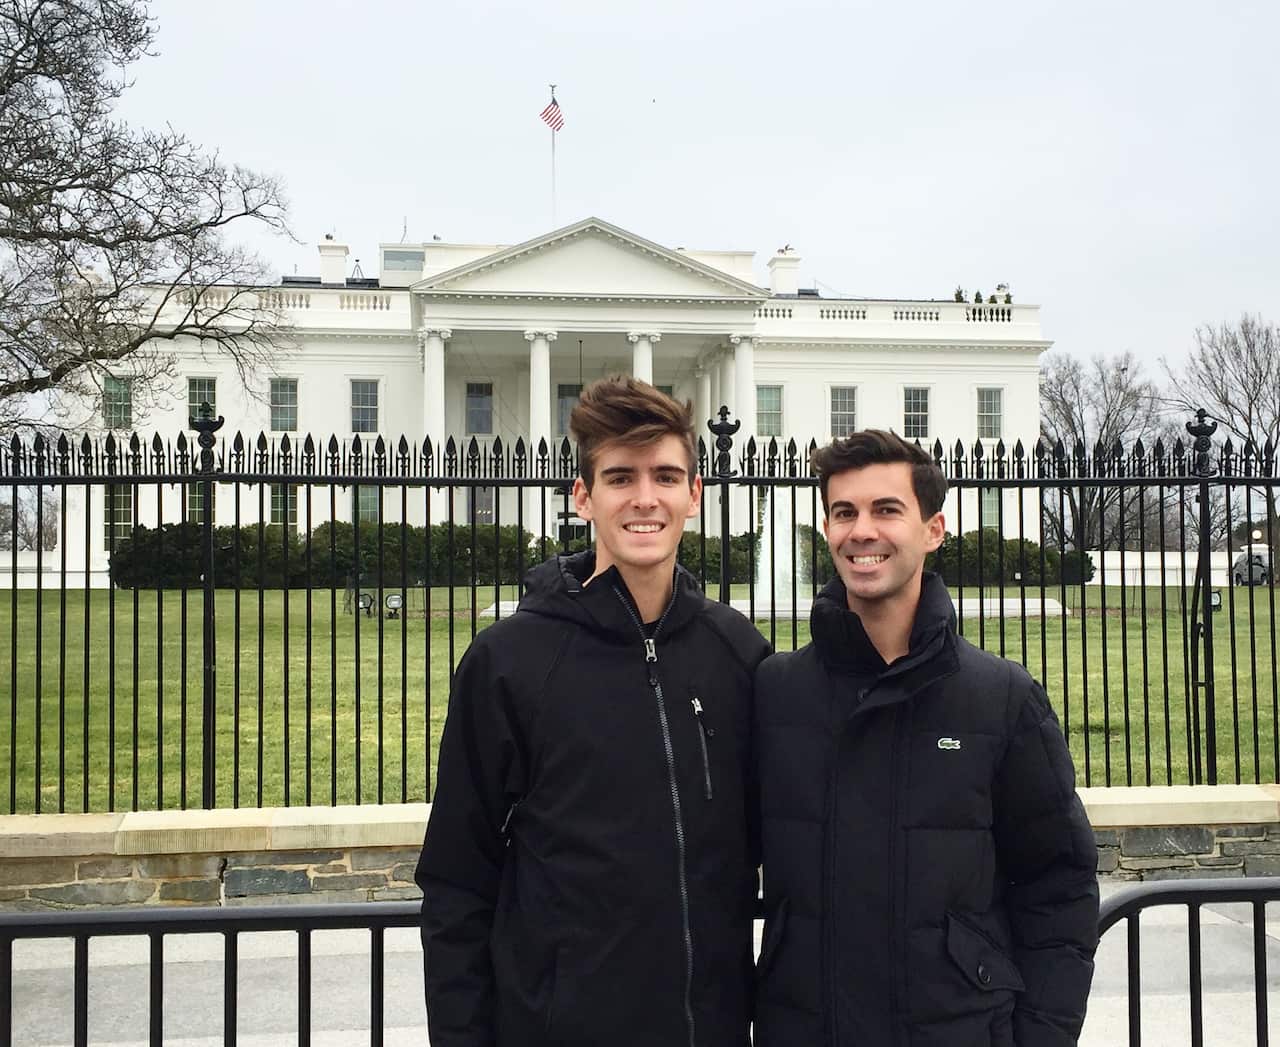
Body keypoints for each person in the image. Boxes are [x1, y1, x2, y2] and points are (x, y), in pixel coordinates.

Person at [416, 376, 771, 1047]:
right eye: (620, 477)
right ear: (583, 496)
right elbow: (457, 882)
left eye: (666, 475)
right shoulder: (509, 661)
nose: (646, 498)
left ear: (694, 494)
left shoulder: (737, 653)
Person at [754, 430, 1098, 1046]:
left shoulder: (1002, 698)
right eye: (844, 512)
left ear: (933, 529)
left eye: (887, 510)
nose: (862, 531)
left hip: (957, 1030)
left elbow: (1059, 886)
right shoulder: (776, 692)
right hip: (805, 1027)